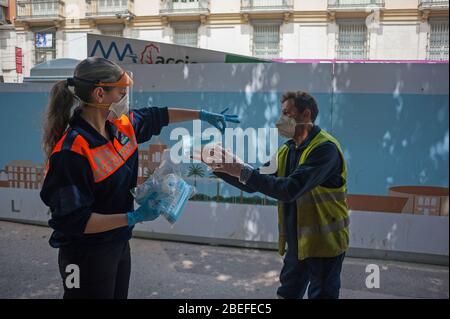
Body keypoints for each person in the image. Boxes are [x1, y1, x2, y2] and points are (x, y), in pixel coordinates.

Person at [40, 57, 239, 299]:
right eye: (121, 92)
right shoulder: (71, 152)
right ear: (100, 94)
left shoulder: (121, 127)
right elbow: (74, 221)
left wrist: (201, 115)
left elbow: (158, 116)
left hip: (118, 243)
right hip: (84, 254)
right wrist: (133, 216)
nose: (125, 99)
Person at [204, 91, 349, 299]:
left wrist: (239, 169)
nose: (280, 120)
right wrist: (219, 167)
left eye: (286, 113)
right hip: (297, 244)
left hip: (325, 245)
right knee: (287, 294)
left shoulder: (325, 150)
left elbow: (289, 189)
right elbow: (255, 182)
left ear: (306, 114)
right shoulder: (287, 150)